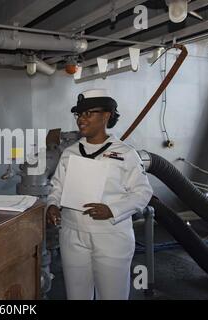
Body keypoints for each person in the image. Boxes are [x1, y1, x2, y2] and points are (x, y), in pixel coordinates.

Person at [46, 89, 153, 300]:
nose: (81, 120)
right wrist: (52, 204)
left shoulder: (125, 153)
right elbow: (56, 186)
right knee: (77, 296)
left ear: (106, 116)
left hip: (111, 235)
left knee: (112, 295)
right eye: (79, 115)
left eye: (88, 114)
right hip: (72, 233)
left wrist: (113, 210)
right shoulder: (70, 153)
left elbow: (143, 192)